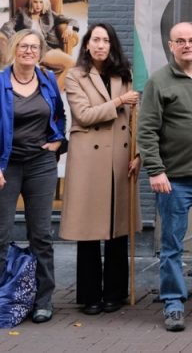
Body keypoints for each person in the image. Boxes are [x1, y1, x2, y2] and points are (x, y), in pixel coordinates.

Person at [137, 21, 192, 332]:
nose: (187, 45)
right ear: (171, 46)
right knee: (172, 245)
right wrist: (155, 170)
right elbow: (146, 130)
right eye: (181, 41)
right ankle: (174, 304)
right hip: (175, 180)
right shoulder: (159, 81)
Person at [60, 23, 141, 315]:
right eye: (95, 39)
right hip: (90, 161)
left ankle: (115, 294)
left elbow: (135, 118)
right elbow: (83, 115)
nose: (100, 45)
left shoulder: (124, 75)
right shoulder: (75, 76)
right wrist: (118, 101)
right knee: (89, 230)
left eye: (106, 40)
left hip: (120, 159)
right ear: (86, 44)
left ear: (112, 45)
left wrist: (138, 153)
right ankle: (90, 295)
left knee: (118, 229)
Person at [0, 29, 66, 323]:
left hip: (40, 164)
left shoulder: (48, 80)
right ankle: (4, 298)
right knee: (1, 234)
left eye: (34, 47)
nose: (29, 51)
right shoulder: (1, 82)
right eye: (24, 46)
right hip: (6, 165)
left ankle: (43, 300)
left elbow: (59, 116)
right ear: (14, 49)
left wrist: (58, 141)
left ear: (40, 52)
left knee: (41, 235)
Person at [0, 0, 78, 88]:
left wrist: (70, 27)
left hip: (44, 49)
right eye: (35, 2)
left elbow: (72, 20)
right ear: (31, 2)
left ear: (45, 3)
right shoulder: (22, 13)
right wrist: (18, 39)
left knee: (72, 63)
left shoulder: (50, 15)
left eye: (41, 2)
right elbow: (7, 26)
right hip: (25, 49)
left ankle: (54, 93)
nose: (38, 5)